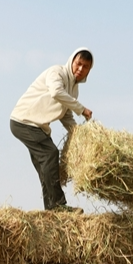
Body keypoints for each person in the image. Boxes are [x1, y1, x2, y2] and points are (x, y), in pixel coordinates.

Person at [10, 48, 94, 213]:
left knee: (45, 168)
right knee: (51, 154)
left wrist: (79, 135)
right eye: (78, 64)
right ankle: (58, 206)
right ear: (72, 61)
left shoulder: (73, 90)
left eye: (85, 67)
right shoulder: (57, 73)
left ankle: (51, 211)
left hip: (36, 127)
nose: (80, 69)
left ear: (89, 71)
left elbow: (65, 114)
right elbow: (56, 92)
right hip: (24, 121)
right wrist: (81, 109)